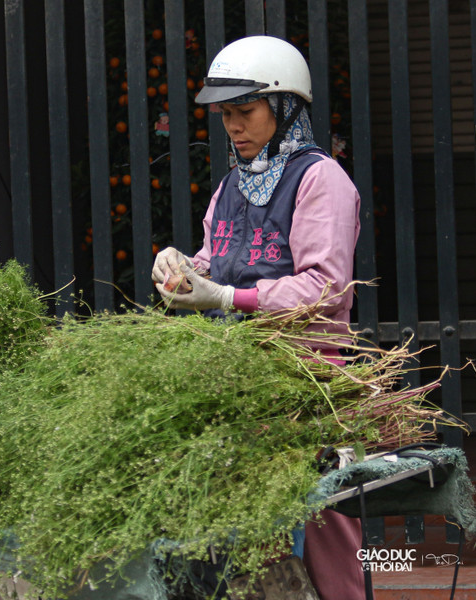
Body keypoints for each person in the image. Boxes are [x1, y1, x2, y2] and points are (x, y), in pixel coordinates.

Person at [150, 36, 365, 600]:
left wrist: (224, 298)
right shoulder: (228, 187)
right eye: (226, 115)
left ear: (286, 106)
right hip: (234, 386)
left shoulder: (323, 180)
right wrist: (177, 270)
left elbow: (324, 288)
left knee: (326, 522)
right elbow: (213, 265)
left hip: (306, 386)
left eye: (244, 112)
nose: (233, 127)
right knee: (243, 539)